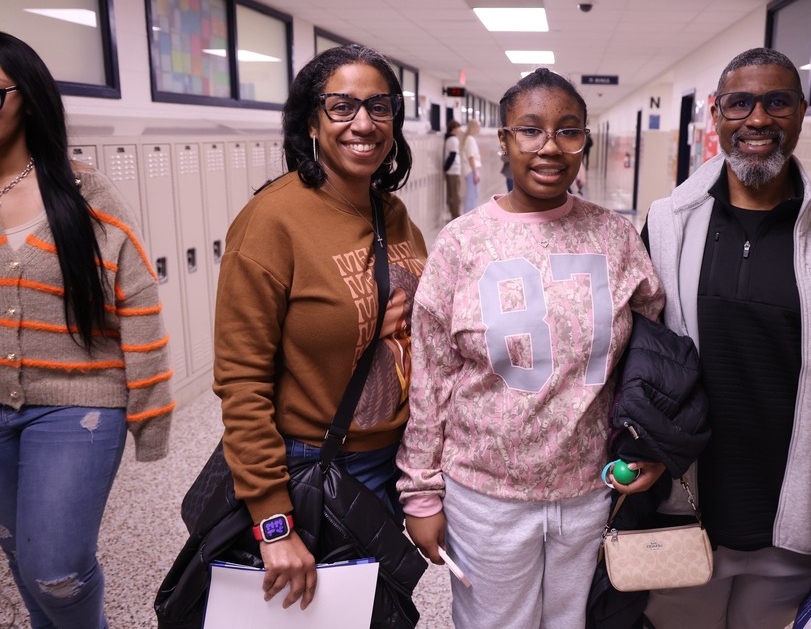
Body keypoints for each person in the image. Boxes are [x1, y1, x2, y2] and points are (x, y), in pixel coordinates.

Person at [642, 47, 811, 629]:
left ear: (802, 113)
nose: (758, 119)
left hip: (791, 530)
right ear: (716, 115)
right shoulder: (667, 226)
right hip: (682, 515)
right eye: (740, 103)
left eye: (777, 101)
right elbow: (636, 364)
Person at [397, 67, 666, 628]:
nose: (550, 147)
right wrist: (420, 495)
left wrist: (652, 443)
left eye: (568, 131)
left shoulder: (615, 238)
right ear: (503, 140)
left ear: (584, 141)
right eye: (530, 130)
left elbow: (650, 358)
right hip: (485, 498)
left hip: (591, 491)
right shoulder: (462, 242)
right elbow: (431, 377)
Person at [213, 43, 428, 611]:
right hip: (311, 467)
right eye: (342, 106)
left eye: (379, 107)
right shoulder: (271, 221)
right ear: (311, 119)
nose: (364, 123)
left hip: (392, 459)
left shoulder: (393, 212)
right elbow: (241, 379)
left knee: (373, 613)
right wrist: (273, 521)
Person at [0, 32, 175, 627]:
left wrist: (151, 416)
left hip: (77, 404)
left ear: (27, 98)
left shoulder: (83, 191)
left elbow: (138, 300)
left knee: (56, 570)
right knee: (22, 557)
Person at [460, 119, 482, 211]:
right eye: (478, 126)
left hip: (471, 171)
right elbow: (471, 157)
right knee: (472, 197)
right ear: (473, 127)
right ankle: (468, 220)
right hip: (471, 171)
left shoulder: (469, 138)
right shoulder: (470, 139)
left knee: (473, 195)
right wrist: (475, 173)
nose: (479, 129)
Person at [443, 118, 463, 219]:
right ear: (453, 128)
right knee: (455, 194)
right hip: (453, 170)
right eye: (458, 127)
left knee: (453, 193)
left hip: (452, 170)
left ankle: (454, 214)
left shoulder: (450, 138)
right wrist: (446, 168)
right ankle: (455, 215)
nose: (459, 130)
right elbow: (452, 155)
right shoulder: (453, 139)